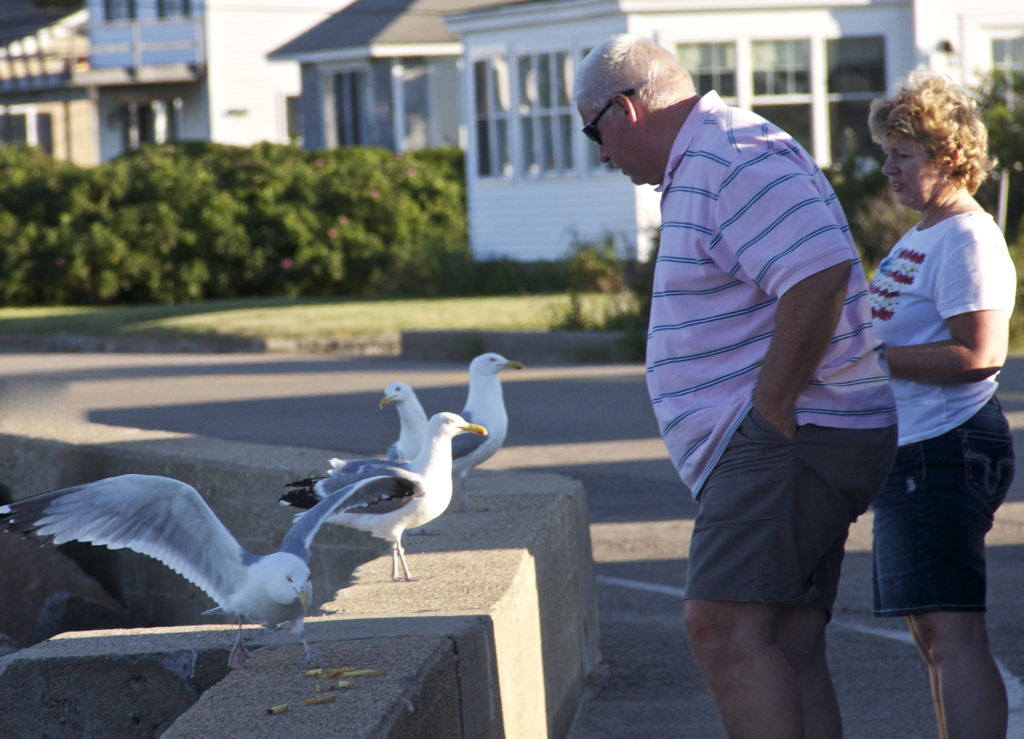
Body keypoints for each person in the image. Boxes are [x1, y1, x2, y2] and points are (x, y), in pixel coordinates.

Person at [574, 35, 898, 739]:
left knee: (720, 625)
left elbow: (817, 274)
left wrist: (771, 410)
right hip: (801, 436)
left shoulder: (730, 156)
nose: (599, 154)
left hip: (794, 436)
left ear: (624, 110)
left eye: (592, 131)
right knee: (784, 639)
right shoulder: (712, 158)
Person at [867, 70, 1016, 739]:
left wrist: (866, 360)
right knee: (934, 633)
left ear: (950, 157)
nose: (887, 167)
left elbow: (980, 353)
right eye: (886, 152)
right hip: (918, 450)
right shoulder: (924, 232)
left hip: (945, 448)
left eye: (902, 154)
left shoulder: (965, 237)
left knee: (952, 633)